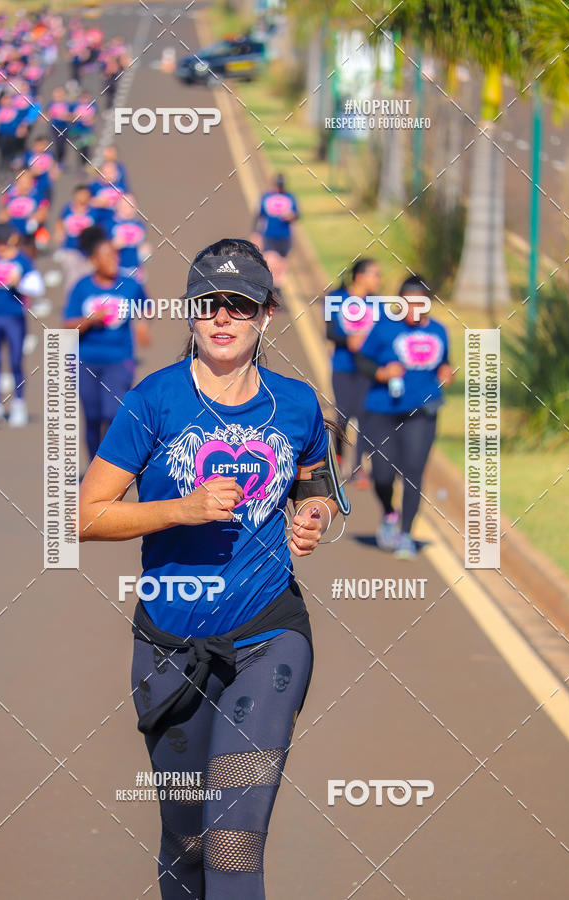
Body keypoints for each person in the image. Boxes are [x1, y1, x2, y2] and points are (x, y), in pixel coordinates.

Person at [78, 238, 345, 899]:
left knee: (233, 841)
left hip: (268, 636)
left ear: (265, 315)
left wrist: (312, 517)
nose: (222, 317)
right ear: (190, 313)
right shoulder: (154, 402)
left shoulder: (297, 405)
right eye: (208, 305)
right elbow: (84, 516)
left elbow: (315, 484)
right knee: (188, 843)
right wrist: (181, 509)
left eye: (239, 305)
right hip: (170, 648)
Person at [356, 274, 454, 559]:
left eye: (420, 304)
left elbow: (445, 363)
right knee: (383, 475)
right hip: (382, 410)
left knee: (413, 471)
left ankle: (407, 533)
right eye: (407, 304)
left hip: (423, 410)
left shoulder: (439, 331)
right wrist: (381, 373)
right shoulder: (384, 329)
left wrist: (446, 373)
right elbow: (362, 360)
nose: (414, 310)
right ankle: (389, 513)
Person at [61, 225, 150, 463]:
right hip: (86, 359)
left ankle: (114, 467)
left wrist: (142, 324)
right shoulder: (82, 287)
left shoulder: (130, 285)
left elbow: (145, 306)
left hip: (119, 358)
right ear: (93, 260)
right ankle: (93, 469)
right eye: (107, 256)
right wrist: (90, 320)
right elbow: (67, 326)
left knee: (113, 413)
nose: (114, 260)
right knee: (92, 417)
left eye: (115, 255)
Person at [0, 222, 44, 426]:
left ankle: (19, 404)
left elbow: (36, 287)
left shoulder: (23, 261)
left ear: (11, 241)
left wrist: (19, 282)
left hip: (13, 317)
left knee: (15, 360)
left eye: (1, 242)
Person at [325, 258, 381, 489]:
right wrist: (349, 339)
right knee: (343, 416)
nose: (379, 280)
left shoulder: (378, 303)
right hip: (342, 366)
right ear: (359, 276)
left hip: (367, 369)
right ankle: (337, 460)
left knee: (364, 415)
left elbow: (383, 334)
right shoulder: (335, 299)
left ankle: (358, 467)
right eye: (375, 274)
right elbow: (330, 332)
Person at [252, 174, 299, 290]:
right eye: (278, 185)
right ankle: (270, 289)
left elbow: (297, 214)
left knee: (282, 266)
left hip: (284, 236)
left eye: (281, 185)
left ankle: (278, 291)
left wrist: (291, 217)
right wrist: (255, 233)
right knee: (271, 263)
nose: (279, 188)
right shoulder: (266, 197)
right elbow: (258, 216)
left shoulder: (290, 198)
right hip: (269, 235)